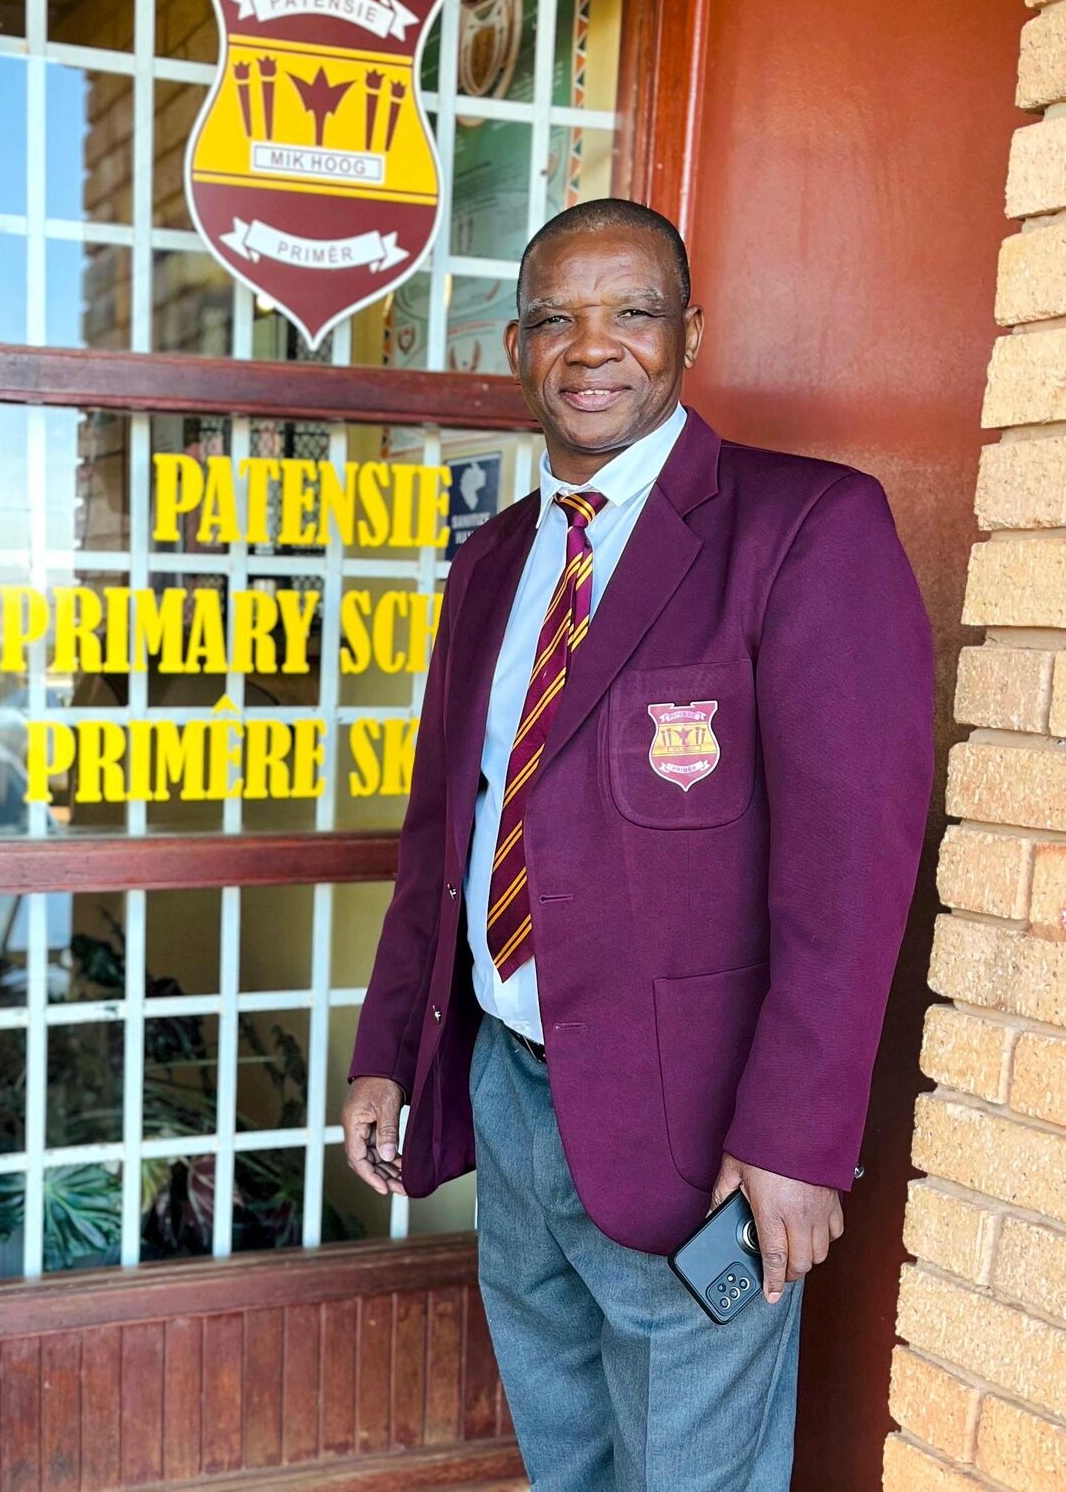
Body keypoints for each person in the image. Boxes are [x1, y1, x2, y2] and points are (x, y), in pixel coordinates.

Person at [340, 198, 934, 1492]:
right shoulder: (492, 563)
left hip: (697, 1133)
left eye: (632, 311)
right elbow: (451, 833)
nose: (591, 346)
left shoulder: (803, 532)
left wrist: (796, 1135)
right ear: (515, 348)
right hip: (508, 1089)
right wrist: (389, 1051)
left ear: (690, 334)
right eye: (556, 316)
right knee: (566, 1453)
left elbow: (855, 869)